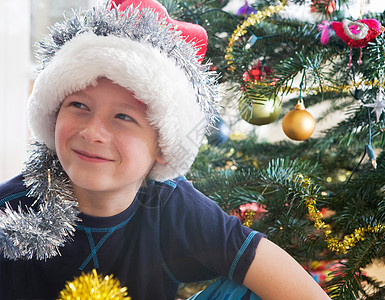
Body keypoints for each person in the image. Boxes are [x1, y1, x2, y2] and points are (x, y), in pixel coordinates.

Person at [0, 0, 331, 299]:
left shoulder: (173, 206)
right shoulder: (10, 212)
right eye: (79, 105)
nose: (93, 132)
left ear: (163, 144)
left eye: (123, 117)